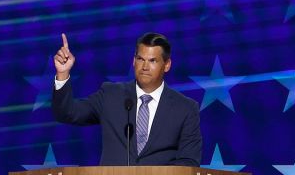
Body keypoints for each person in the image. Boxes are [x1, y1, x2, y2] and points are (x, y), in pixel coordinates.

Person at [50, 32, 202, 166]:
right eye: (140, 59)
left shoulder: (186, 108)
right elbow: (67, 113)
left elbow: (189, 163)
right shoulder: (110, 95)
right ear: (133, 61)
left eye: (153, 61)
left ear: (167, 65)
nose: (145, 67)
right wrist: (62, 74)